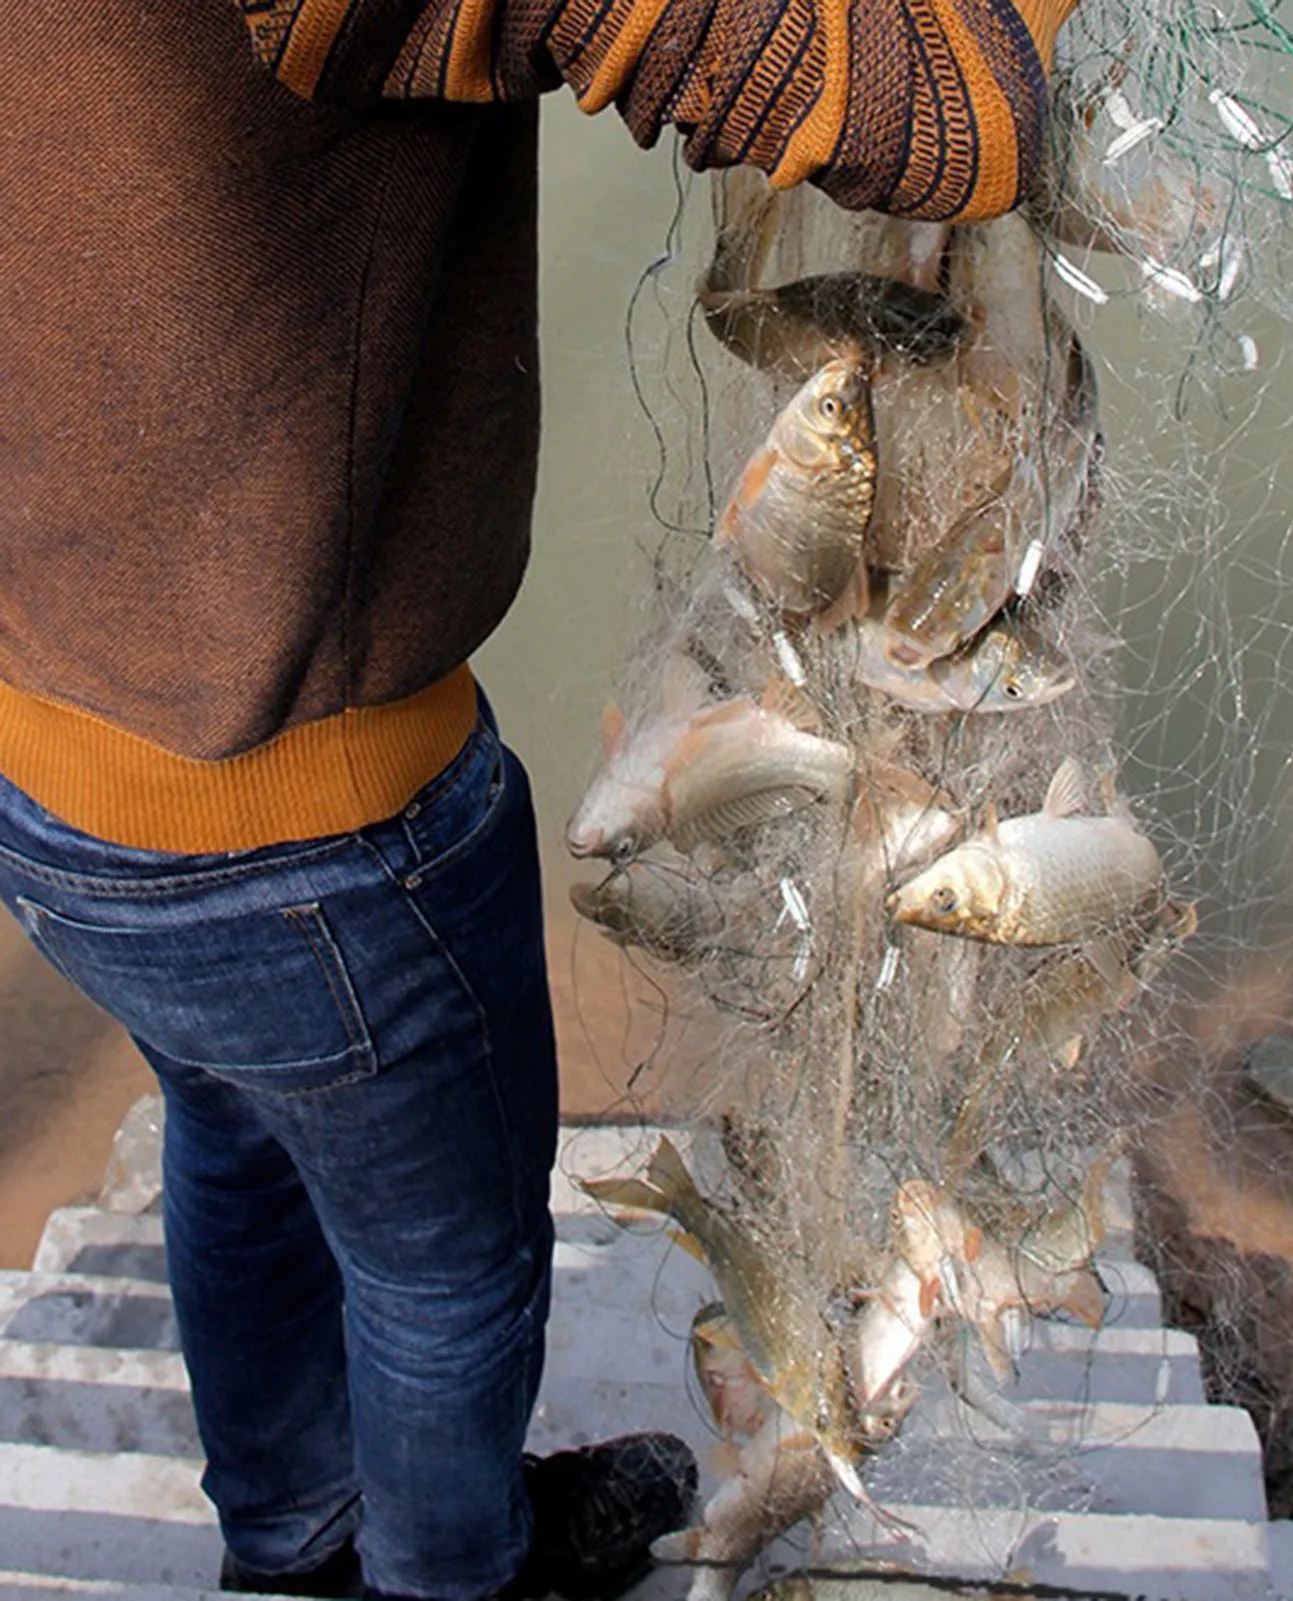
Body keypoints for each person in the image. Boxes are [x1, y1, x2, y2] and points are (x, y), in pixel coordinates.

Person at [0, 1, 1074, 1596]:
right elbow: (954, 117)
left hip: (48, 765)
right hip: (323, 831)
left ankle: (288, 1550)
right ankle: (457, 1573)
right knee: (445, 1285)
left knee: (231, 1137)